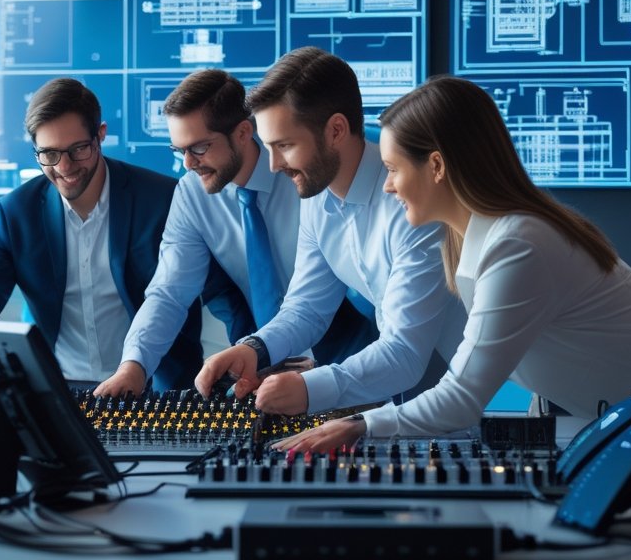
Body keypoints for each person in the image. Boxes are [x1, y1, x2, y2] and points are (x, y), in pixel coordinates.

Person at [275, 76, 631, 453]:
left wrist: (359, 425)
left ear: (437, 166)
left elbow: (461, 397)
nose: (388, 186)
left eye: (393, 169)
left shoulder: (516, 244)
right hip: (626, 415)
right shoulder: (478, 236)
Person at [194, 47, 469, 415]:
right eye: (268, 147)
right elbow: (307, 307)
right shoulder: (316, 196)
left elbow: (404, 352)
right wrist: (254, 349)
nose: (274, 166)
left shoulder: (412, 201)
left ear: (336, 130)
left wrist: (308, 388)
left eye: (285, 146)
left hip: (480, 391)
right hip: (416, 400)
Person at [94, 69, 377, 397]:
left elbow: (337, 295)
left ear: (243, 132)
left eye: (199, 147)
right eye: (178, 150)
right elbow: (169, 293)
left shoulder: (305, 172)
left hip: (351, 355)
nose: (188, 163)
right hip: (264, 362)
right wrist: (134, 365)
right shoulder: (192, 195)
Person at [0, 77, 212, 388]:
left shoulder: (162, 199)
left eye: (77, 150)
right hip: (60, 387)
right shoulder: (16, 212)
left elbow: (214, 286)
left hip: (156, 387)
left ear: (100, 135)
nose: (64, 167)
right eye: (49, 154)